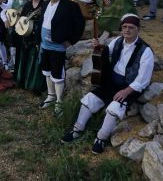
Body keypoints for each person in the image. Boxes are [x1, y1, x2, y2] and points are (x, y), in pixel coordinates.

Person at [61, 14, 154, 154]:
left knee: (114, 108)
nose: (127, 30)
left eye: (131, 27)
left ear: (138, 30)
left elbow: (143, 80)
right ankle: (77, 129)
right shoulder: (117, 41)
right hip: (111, 82)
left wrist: (126, 91)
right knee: (89, 100)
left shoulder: (146, 51)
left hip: (130, 86)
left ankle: (101, 138)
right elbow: (105, 50)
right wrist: (98, 46)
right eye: (124, 27)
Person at [39, 0, 85, 115]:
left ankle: (59, 101)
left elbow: (79, 24)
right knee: (47, 72)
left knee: (57, 74)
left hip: (58, 47)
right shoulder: (46, 3)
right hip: (44, 45)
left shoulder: (70, 6)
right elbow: (41, 21)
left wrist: (70, 40)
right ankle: (51, 95)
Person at [14, 0, 44, 94]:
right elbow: (21, 20)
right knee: (24, 57)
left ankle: (32, 85)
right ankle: (22, 82)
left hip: (37, 35)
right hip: (26, 35)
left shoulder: (44, 5)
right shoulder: (27, 5)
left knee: (34, 59)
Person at [1, 0, 27, 70]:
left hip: (23, 27)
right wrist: (6, 19)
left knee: (22, 47)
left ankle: (20, 66)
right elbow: (5, 12)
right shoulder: (13, 2)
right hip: (13, 27)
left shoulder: (28, 2)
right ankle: (14, 64)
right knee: (12, 47)